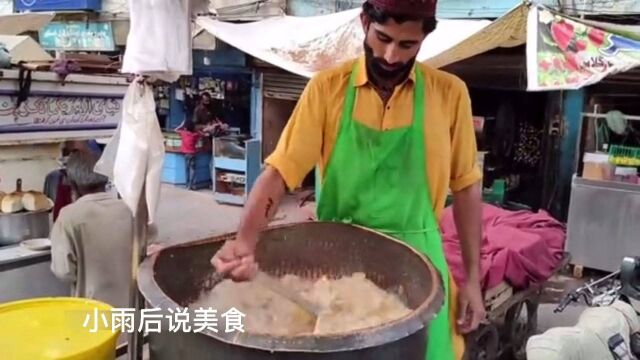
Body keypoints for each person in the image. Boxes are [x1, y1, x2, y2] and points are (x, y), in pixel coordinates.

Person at [211, 1, 485, 359]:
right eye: (382, 38)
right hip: (337, 264)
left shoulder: (450, 95)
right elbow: (279, 173)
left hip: (421, 268)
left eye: (407, 46)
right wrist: (245, 241)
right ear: (364, 22)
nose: (390, 56)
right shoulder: (328, 89)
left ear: (424, 39)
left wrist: (473, 281)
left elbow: (465, 188)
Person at [49, 151, 134, 324]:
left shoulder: (69, 217)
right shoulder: (129, 209)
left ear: (73, 184)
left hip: (92, 313)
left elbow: (64, 271)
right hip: (131, 309)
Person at [176, 120, 202, 190]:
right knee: (193, 169)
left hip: (186, 154)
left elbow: (175, 130)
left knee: (187, 169)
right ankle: (191, 184)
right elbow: (201, 134)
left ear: (186, 127)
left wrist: (181, 125)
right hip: (193, 153)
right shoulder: (194, 135)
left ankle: (187, 185)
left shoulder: (183, 133)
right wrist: (196, 129)